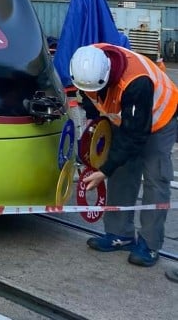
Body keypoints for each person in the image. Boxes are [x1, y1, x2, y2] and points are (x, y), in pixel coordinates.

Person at [69, 44, 177, 274]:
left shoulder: (136, 83)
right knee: (122, 171)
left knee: (155, 177)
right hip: (125, 116)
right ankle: (120, 234)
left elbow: (135, 135)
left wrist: (104, 170)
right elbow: (90, 99)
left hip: (161, 117)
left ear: (108, 74)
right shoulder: (86, 63)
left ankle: (150, 245)